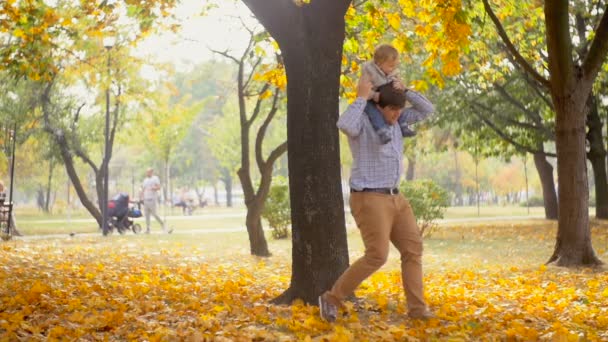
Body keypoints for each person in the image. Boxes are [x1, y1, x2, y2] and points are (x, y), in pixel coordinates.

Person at [318, 73, 435, 322]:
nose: (396, 115)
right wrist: (362, 97)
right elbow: (344, 125)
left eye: (399, 110)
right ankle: (332, 298)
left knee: (413, 250)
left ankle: (417, 309)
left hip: (396, 198)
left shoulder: (398, 121)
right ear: (378, 106)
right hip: (370, 197)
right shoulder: (363, 122)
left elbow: (427, 110)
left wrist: (407, 90)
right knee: (377, 255)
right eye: (392, 109)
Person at [361, 44, 416, 144]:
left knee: (398, 105)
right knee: (373, 112)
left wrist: (400, 86)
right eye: (391, 66)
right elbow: (362, 90)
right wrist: (373, 95)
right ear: (379, 64)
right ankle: (382, 131)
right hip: (372, 100)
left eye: (395, 66)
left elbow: (396, 82)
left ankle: (403, 126)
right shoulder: (369, 73)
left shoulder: (391, 72)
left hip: (387, 98)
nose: (392, 69)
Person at [140, 168, 172, 234]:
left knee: (155, 214)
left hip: (152, 199)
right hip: (146, 199)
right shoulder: (145, 180)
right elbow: (143, 189)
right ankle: (148, 229)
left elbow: (159, 187)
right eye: (147, 172)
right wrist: (141, 197)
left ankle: (164, 226)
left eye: (148, 172)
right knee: (147, 215)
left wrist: (154, 188)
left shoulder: (155, 178)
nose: (147, 173)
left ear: (151, 172)